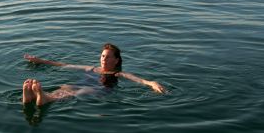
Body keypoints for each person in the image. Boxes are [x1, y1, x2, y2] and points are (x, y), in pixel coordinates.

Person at [22, 43, 166, 106]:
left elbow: (139, 80)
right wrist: (39, 60)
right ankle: (36, 96)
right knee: (66, 86)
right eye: (103, 56)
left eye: (108, 57)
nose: (104, 59)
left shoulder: (118, 73)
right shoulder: (91, 68)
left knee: (84, 91)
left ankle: (45, 98)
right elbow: (63, 65)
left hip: (100, 89)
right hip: (82, 84)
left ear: (116, 60)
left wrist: (152, 83)